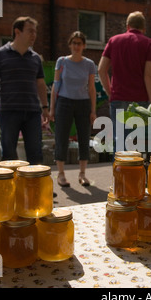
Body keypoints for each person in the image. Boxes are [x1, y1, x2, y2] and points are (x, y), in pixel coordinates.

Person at [0, 16, 49, 165]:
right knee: (9, 153)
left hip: (32, 112)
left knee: (35, 152)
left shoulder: (35, 58)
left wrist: (45, 108)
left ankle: (36, 186)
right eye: (30, 31)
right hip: (9, 111)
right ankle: (11, 187)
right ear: (17, 32)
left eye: (35, 32)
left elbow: (40, 84)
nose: (34, 35)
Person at [98, 11, 151, 151]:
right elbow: (148, 76)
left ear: (127, 26)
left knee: (119, 143)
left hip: (118, 98)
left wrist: (110, 92)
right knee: (137, 145)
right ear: (144, 28)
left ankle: (117, 172)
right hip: (140, 101)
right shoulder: (149, 43)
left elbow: (101, 69)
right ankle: (136, 173)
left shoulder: (114, 41)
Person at [49, 31, 97, 187]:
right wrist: (51, 109)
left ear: (84, 46)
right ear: (70, 45)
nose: (76, 46)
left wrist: (93, 110)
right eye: (74, 43)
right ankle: (61, 174)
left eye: (79, 43)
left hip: (83, 103)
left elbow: (91, 88)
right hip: (64, 102)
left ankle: (82, 174)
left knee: (84, 137)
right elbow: (55, 86)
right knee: (61, 137)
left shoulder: (89, 64)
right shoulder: (62, 61)